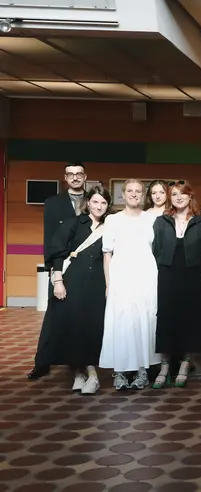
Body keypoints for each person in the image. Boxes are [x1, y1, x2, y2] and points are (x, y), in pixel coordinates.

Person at [43, 185, 112, 395]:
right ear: (88, 203)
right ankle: (90, 374)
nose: (99, 206)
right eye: (95, 202)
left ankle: (83, 373)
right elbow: (57, 252)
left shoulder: (111, 226)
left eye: (103, 203)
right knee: (73, 327)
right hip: (73, 281)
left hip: (97, 284)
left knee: (93, 327)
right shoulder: (73, 223)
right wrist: (58, 281)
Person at [151, 182, 201, 389]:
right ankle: (164, 367)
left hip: (193, 277)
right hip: (167, 276)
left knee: (189, 319)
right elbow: (155, 248)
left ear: (190, 196)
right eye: (174, 194)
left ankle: (185, 364)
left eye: (183, 194)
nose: (179, 197)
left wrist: (198, 270)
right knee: (166, 319)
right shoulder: (161, 222)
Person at [29, 161, 87, 381]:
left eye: (79, 174)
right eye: (70, 174)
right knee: (54, 315)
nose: (75, 177)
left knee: (81, 316)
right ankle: (42, 363)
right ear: (65, 178)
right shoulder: (53, 203)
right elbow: (50, 238)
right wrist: (53, 270)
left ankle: (77, 360)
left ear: (85, 177)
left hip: (87, 265)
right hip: (61, 264)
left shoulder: (94, 200)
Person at [99, 180, 160, 390]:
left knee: (144, 321)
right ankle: (120, 371)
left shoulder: (152, 219)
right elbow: (107, 253)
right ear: (123, 195)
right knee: (122, 322)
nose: (134, 194)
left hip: (146, 277)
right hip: (121, 278)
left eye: (138, 191)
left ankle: (142, 370)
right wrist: (108, 283)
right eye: (130, 191)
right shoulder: (112, 220)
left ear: (143, 195)